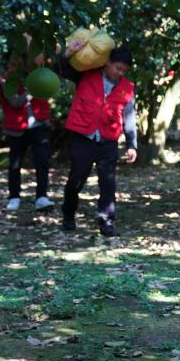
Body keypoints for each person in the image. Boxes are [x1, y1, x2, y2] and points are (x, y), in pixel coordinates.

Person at [58, 42, 138, 237]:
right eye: (118, 68)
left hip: (108, 141)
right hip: (83, 137)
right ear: (107, 63)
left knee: (108, 183)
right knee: (76, 180)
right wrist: (67, 53)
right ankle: (68, 215)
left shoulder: (127, 88)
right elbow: (60, 69)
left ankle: (106, 222)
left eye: (124, 70)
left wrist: (131, 144)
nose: (120, 73)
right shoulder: (86, 74)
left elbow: (129, 116)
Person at [0, 51, 53, 212]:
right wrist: (32, 89)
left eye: (19, 63)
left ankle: (42, 197)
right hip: (16, 129)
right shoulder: (5, 80)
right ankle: (14, 197)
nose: (16, 66)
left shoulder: (36, 75)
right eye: (12, 63)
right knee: (15, 164)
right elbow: (15, 101)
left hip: (39, 125)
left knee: (42, 161)